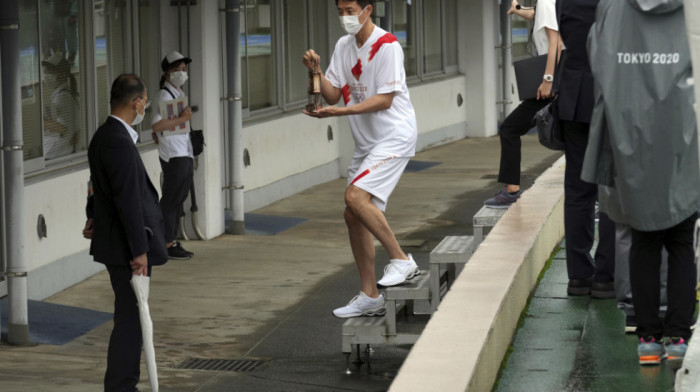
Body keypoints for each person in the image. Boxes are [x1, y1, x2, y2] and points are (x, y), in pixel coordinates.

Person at [583, 0, 700, 366]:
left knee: (642, 239)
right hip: (683, 135)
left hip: (628, 135)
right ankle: (679, 335)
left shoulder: (611, 8)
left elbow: (596, 59)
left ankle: (648, 338)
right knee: (682, 240)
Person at [302, 0, 419, 318]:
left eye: (350, 10)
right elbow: (331, 93)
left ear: (367, 10)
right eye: (339, 11)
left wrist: (341, 110)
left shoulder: (387, 45)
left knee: (355, 195)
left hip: (395, 136)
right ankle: (370, 295)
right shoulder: (343, 45)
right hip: (367, 144)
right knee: (353, 213)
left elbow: (385, 99)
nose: (344, 17)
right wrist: (315, 72)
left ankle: (402, 260)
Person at [83, 73, 168, 391]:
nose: (145, 107)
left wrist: (93, 215)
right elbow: (127, 199)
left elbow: (96, 186)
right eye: (145, 102)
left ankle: (122, 383)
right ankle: (122, 385)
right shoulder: (118, 141)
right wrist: (139, 251)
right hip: (125, 248)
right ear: (136, 103)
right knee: (131, 320)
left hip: (116, 242)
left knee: (130, 317)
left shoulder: (103, 136)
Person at [555, 0, 615, 298]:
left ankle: (578, 277)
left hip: (574, 95)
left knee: (578, 190)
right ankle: (606, 275)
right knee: (610, 187)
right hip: (610, 94)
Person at [484, 0, 561, 208]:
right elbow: (538, 15)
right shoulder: (551, 4)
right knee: (574, 134)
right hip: (562, 79)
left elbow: (555, 42)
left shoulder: (547, 2)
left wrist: (547, 79)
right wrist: (518, 11)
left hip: (551, 81)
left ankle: (511, 191)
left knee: (509, 128)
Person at [151, 51, 195, 260]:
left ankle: (168, 239)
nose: (181, 73)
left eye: (183, 70)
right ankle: (166, 242)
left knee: (178, 199)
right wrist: (183, 118)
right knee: (171, 200)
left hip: (183, 152)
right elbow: (157, 124)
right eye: (176, 70)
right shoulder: (164, 95)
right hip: (174, 155)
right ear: (166, 73)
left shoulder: (176, 93)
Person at [42, 51, 79, 159]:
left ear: (62, 75)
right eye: (46, 71)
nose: (46, 75)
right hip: (60, 149)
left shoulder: (63, 97)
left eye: (50, 71)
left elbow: (64, 128)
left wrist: (42, 123)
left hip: (59, 152)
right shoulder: (64, 94)